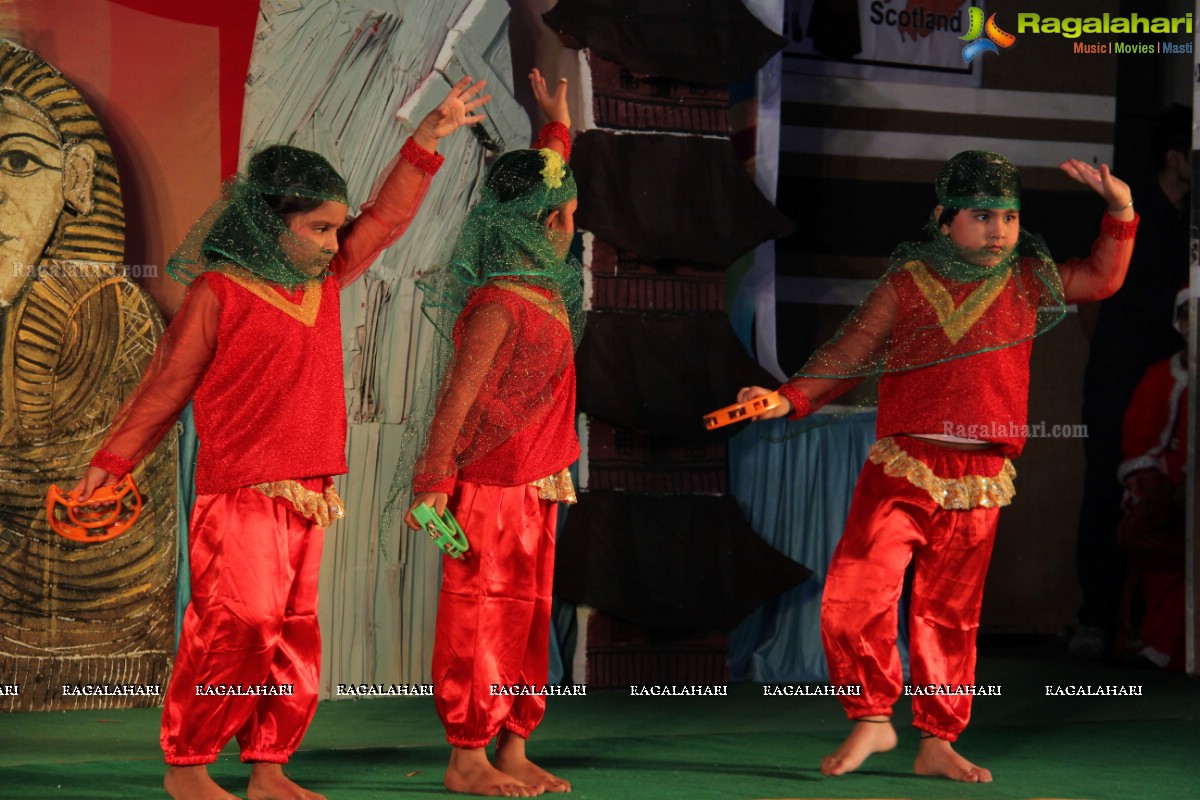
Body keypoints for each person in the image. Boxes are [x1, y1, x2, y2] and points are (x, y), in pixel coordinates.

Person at [70, 77, 490, 800]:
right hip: (239, 493)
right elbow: (164, 388)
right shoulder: (220, 293)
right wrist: (111, 464)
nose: (334, 244)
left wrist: (426, 141)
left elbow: (382, 222)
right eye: (319, 229)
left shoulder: (321, 282)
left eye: (335, 230)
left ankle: (269, 767)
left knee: (293, 632)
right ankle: (189, 765)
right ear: (271, 224)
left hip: (311, 492)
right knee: (237, 625)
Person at [737, 150, 1137, 782]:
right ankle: (871, 716)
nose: (999, 230)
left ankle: (937, 739)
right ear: (943, 218)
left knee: (949, 616)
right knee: (853, 595)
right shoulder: (907, 283)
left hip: (979, 480)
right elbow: (851, 352)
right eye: (982, 216)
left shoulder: (1026, 279)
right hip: (905, 467)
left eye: (1008, 216)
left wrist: (1118, 208)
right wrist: (787, 397)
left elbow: (1103, 278)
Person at [393, 68, 577, 797]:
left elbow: (546, 182)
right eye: (556, 218)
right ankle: (467, 752)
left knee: (528, 619)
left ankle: (513, 744)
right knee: (480, 620)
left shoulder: (542, 287)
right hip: (489, 488)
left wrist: (556, 127)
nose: (567, 226)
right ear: (522, 227)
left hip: (540, 482)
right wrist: (434, 483)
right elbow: (457, 402)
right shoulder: (500, 302)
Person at [1073, 105, 1191, 658]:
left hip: (1175, 379)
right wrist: (1110, 357)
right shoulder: (1128, 203)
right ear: (1176, 157)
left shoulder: (1193, 216)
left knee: (1171, 495)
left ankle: (1155, 631)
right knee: (1105, 492)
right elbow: (1092, 294)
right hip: (1120, 372)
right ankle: (1096, 620)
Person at [1115, 286, 1188, 670]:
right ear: (1182, 323)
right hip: (1172, 490)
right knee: (1165, 544)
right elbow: (1141, 444)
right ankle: (1161, 647)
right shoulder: (1162, 376)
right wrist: (1166, 491)